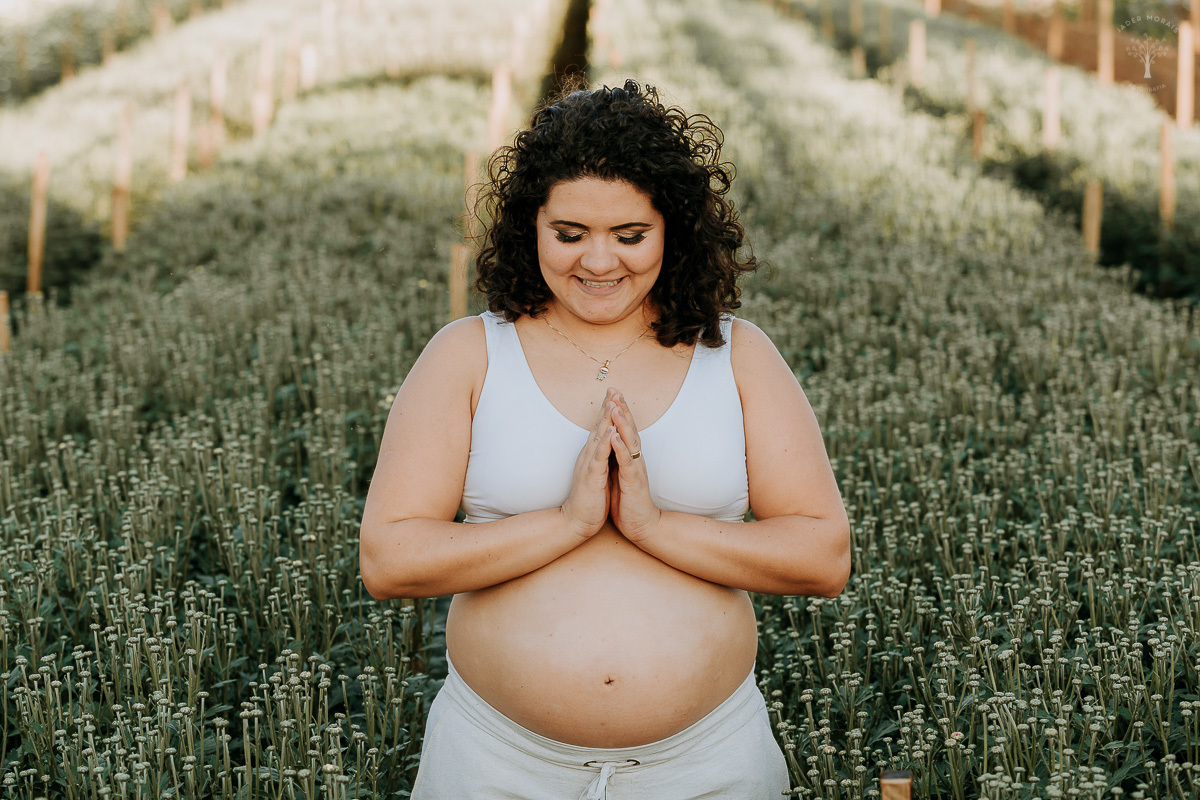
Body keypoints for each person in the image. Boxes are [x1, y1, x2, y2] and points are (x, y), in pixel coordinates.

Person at [358, 77, 851, 799]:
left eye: (629, 236)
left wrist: (652, 526)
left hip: (709, 765)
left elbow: (822, 555)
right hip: (496, 764)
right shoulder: (467, 354)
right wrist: (568, 524)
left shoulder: (739, 356)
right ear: (530, 226)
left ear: (672, 229)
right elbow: (390, 559)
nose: (598, 262)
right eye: (569, 234)